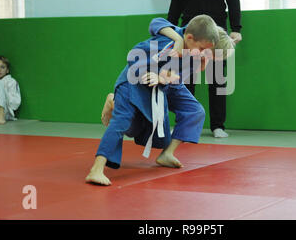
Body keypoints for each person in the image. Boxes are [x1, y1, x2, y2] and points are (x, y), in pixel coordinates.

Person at [86, 15, 220, 186]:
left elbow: (179, 76)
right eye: (201, 49)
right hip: (134, 81)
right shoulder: (169, 42)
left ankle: (166, 154)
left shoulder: (194, 52)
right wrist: (160, 70)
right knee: (123, 122)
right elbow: (138, 61)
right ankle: (96, 169)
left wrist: (167, 77)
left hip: (163, 86)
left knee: (192, 113)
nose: (203, 54)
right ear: (189, 38)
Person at [167, 0, 242, 138]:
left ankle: (217, 125)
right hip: (189, 32)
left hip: (216, 32)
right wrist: (170, 27)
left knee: (217, 78)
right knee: (186, 79)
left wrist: (236, 28)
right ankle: (185, 123)